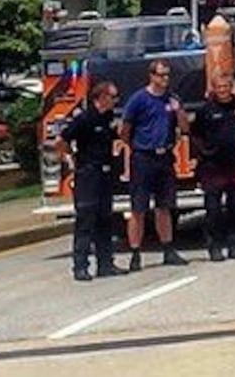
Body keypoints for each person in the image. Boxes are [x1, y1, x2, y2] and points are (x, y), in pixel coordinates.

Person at [119, 58, 191, 270]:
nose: (165, 79)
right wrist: (136, 146)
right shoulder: (139, 99)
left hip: (164, 157)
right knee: (138, 208)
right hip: (143, 157)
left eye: (168, 75)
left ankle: (168, 249)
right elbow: (124, 130)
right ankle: (135, 253)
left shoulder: (172, 99)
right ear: (151, 76)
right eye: (161, 75)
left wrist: (178, 111)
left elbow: (185, 128)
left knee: (164, 207)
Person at [57, 79, 122, 281]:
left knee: (105, 219)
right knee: (86, 220)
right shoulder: (85, 119)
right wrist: (72, 159)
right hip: (88, 174)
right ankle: (80, 266)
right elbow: (62, 140)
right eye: (113, 97)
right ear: (101, 97)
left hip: (105, 174)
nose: (115, 101)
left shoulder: (108, 118)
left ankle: (106, 264)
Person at [192, 74, 235, 261]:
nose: (223, 90)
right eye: (219, 87)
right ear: (214, 89)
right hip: (212, 167)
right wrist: (206, 152)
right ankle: (214, 246)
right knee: (213, 209)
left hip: (234, 164)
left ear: (231, 87)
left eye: (226, 87)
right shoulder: (206, 110)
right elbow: (196, 134)